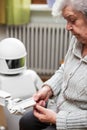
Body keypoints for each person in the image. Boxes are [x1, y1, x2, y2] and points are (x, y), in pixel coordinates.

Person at [19, 0, 87, 129]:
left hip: (76, 121)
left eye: (72, 20)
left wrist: (58, 119)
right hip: (60, 107)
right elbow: (65, 69)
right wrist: (48, 89)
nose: (67, 27)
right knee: (26, 122)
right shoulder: (77, 40)